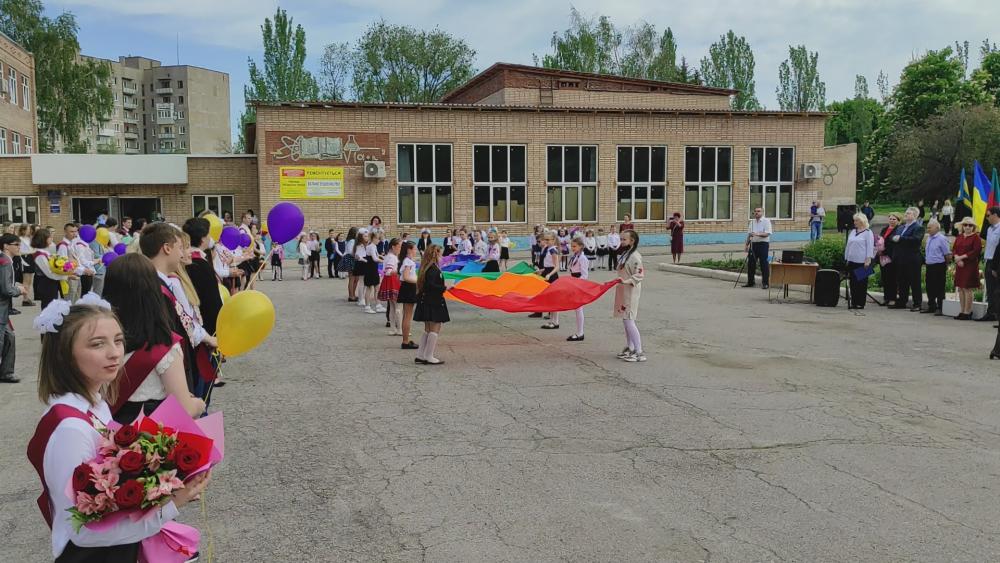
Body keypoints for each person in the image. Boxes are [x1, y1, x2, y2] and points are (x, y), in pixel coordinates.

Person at [27, 300, 211, 561]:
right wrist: (171, 504)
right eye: (97, 344)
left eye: (118, 341)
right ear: (64, 354)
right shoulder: (70, 428)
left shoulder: (96, 404)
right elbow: (82, 531)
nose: (114, 353)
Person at [103, 253, 206, 423]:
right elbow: (185, 409)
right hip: (150, 430)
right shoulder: (162, 343)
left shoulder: (97, 341)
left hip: (108, 425)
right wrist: (199, 405)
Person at [138, 223, 198, 393]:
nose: (182, 254)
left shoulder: (159, 282)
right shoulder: (153, 288)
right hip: (166, 380)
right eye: (180, 248)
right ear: (167, 248)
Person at [413, 244, 448, 365]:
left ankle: (421, 355)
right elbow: (430, 285)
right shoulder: (433, 269)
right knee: (435, 327)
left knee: (428, 329)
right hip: (433, 301)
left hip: (427, 301)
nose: (442, 257)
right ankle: (429, 356)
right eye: (440, 254)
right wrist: (444, 288)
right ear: (436, 254)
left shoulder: (426, 268)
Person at [614, 229, 645, 362]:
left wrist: (626, 281)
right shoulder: (626, 254)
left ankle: (639, 352)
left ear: (632, 241)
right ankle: (630, 347)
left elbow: (639, 274)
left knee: (629, 319)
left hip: (631, 291)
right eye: (621, 239)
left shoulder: (635, 256)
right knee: (625, 319)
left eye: (624, 239)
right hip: (623, 290)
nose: (621, 242)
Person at [0, 234, 27, 382]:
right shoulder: (5, 262)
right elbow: (6, 289)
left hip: (3, 310)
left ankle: (6, 372)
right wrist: (19, 290)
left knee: (10, 338)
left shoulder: (6, 260)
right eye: (16, 245)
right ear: (6, 246)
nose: (18, 247)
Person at [890, 207, 926, 312]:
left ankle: (917, 304)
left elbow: (916, 240)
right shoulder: (901, 227)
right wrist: (893, 238)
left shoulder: (918, 227)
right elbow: (892, 237)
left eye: (909, 213)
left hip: (912, 258)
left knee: (914, 282)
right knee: (902, 281)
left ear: (915, 215)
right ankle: (902, 301)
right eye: (906, 212)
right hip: (900, 258)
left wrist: (900, 238)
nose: (906, 214)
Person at [31, 228, 74, 310]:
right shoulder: (39, 254)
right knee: (48, 308)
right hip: (46, 283)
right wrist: (66, 276)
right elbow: (49, 273)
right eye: (49, 237)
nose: (52, 238)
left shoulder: (45, 252)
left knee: (52, 307)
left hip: (51, 283)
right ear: (43, 239)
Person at [952, 217, 982, 320]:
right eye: (965, 225)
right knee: (960, 288)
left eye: (970, 225)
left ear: (973, 227)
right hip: (960, 265)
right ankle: (962, 311)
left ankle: (967, 312)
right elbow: (954, 249)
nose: (967, 227)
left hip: (970, 265)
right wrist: (957, 258)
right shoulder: (959, 236)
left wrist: (961, 257)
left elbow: (976, 251)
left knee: (967, 288)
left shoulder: (976, 237)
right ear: (962, 226)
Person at [844, 214, 875, 310]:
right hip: (852, 260)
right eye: (854, 220)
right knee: (853, 283)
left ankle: (860, 303)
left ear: (862, 221)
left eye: (856, 221)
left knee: (861, 283)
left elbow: (870, 247)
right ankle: (854, 302)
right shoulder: (853, 231)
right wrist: (846, 258)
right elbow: (848, 246)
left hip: (862, 261)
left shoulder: (868, 232)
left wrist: (868, 260)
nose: (854, 222)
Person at [922, 219, 951, 315]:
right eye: (927, 227)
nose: (928, 229)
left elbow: (947, 254)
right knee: (929, 286)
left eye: (930, 227)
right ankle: (931, 306)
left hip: (939, 265)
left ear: (937, 228)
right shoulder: (929, 238)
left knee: (939, 287)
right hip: (929, 265)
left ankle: (940, 307)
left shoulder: (942, 239)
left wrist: (946, 265)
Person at [566, 237, 589, 342]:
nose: (572, 248)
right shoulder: (575, 256)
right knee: (577, 308)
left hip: (578, 284)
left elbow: (585, 275)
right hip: (574, 282)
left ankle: (580, 333)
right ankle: (580, 332)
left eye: (574, 246)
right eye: (571, 246)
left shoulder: (582, 258)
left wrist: (576, 283)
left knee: (579, 308)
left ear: (581, 246)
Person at [397, 241, 420, 350]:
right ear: (409, 250)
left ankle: (405, 340)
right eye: (414, 249)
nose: (416, 251)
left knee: (406, 315)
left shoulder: (407, 261)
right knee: (407, 316)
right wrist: (418, 281)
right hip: (409, 288)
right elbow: (406, 277)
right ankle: (405, 341)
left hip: (407, 287)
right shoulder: (408, 262)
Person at [538, 232, 562, 330]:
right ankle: (552, 321)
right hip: (547, 273)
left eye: (548, 240)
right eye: (545, 239)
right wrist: (541, 271)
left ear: (553, 240)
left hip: (552, 276)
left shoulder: (553, 250)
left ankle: (555, 322)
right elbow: (548, 265)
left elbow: (556, 267)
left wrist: (549, 274)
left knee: (554, 300)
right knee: (550, 299)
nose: (546, 241)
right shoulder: (548, 249)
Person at [745, 207, 772, 289]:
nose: (756, 212)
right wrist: (746, 245)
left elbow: (767, 233)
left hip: (763, 244)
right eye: (755, 211)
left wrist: (757, 234)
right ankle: (750, 282)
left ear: (762, 212)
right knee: (751, 263)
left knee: (764, 264)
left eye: (758, 211)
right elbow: (750, 234)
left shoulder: (766, 221)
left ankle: (765, 283)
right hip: (753, 245)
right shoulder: (752, 222)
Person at [981, 207, 1000, 322]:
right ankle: (991, 312)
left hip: (997, 262)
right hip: (988, 260)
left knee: (996, 290)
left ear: (995, 215)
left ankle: (996, 314)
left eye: (988, 215)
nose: (987, 218)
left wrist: (995, 266)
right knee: (990, 289)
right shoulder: (989, 229)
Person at [878, 213, 901, 307]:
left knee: (892, 279)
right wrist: (879, 250)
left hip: (892, 257)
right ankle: (886, 298)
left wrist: (884, 250)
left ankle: (892, 298)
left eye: (894, 219)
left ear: (898, 221)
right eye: (890, 219)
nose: (891, 221)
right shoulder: (884, 229)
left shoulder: (899, 230)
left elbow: (895, 244)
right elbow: (880, 240)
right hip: (883, 257)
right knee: (885, 278)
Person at [16, 224, 35, 306]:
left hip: (31, 258)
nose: (29, 231)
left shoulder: (29, 238)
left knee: (30, 280)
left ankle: (27, 297)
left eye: (30, 229)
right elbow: (19, 251)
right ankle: (25, 299)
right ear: (23, 230)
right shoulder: (19, 239)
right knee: (26, 281)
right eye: (28, 229)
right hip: (25, 259)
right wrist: (30, 252)